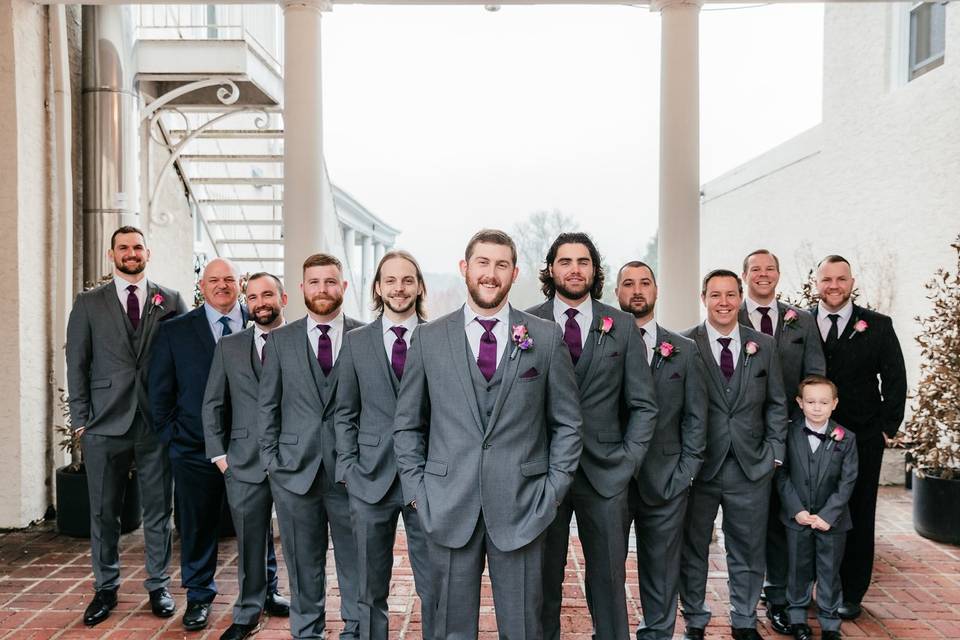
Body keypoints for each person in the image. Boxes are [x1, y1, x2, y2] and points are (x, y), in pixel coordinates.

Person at [393, 229, 583, 639]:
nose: (490, 274)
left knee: (524, 628)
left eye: (501, 265)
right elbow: (408, 424)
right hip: (446, 505)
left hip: (524, 506)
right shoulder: (428, 338)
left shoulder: (546, 337)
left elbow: (567, 424)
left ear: (515, 274)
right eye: (483, 263)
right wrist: (417, 492)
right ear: (465, 268)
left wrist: (551, 493)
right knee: (448, 630)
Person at [527, 234, 658, 640]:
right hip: (544, 473)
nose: (574, 269)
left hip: (605, 474)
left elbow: (644, 405)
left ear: (595, 271)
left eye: (583, 261)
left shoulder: (619, 325)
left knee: (608, 581)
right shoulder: (526, 322)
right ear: (551, 269)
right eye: (565, 261)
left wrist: (628, 462)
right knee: (542, 580)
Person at [66, 225, 187, 627]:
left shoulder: (170, 299)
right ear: (111, 253)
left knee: (157, 510)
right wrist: (81, 422)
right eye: (123, 247)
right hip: (104, 423)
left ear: (147, 253)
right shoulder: (88, 303)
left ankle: (158, 585)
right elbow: (77, 364)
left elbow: (183, 363)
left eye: (137, 247)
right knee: (103, 513)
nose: (131, 253)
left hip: (155, 423)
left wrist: (178, 416)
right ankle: (106, 587)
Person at [150, 258, 271, 631]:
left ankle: (267, 591)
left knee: (257, 524)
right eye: (214, 280)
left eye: (229, 280)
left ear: (240, 284)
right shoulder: (175, 331)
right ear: (202, 286)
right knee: (198, 525)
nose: (222, 286)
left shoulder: (261, 324)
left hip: (250, 449)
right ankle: (199, 596)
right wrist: (175, 438)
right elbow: (158, 392)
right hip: (194, 448)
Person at [679, 269, 788, 640]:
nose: (723, 302)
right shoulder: (684, 344)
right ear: (703, 297)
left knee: (747, 547)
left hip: (751, 466)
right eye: (715, 295)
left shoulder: (764, 346)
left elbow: (777, 403)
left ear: (740, 297)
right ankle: (695, 616)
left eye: (729, 294)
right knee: (693, 546)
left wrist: (774, 452)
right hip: (701, 467)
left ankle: (743, 618)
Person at [259, 253, 363, 640]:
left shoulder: (362, 335)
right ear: (302, 288)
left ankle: (355, 629)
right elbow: (267, 405)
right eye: (315, 282)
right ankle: (307, 632)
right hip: (293, 473)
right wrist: (272, 461)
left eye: (330, 281)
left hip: (350, 473)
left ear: (343, 287)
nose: (323, 289)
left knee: (356, 561)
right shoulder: (281, 340)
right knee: (303, 564)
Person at [334, 250, 436, 640]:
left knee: (434, 583)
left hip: (425, 480)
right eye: (390, 280)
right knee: (368, 586)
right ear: (378, 287)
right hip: (369, 481)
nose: (399, 288)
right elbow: (345, 412)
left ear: (419, 286)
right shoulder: (356, 342)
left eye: (407, 280)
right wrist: (347, 468)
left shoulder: (438, 336)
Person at [615, 260, 707, 640]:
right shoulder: (599, 343)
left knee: (661, 568)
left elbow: (696, 417)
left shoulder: (683, 350)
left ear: (657, 290)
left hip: (666, 480)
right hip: (612, 480)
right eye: (628, 284)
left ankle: (657, 634)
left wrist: (685, 473)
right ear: (616, 292)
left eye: (645, 283)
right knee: (606, 570)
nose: (637, 290)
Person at [813, 255, 906, 620]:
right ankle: (805, 585)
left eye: (840, 279)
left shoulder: (879, 325)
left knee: (858, 512)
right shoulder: (800, 322)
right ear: (816, 283)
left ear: (852, 282)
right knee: (812, 508)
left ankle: (851, 592)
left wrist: (885, 427)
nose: (833, 286)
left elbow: (895, 379)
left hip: (862, 436)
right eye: (826, 279)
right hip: (811, 433)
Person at [739, 249, 826, 634]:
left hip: (790, 434)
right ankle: (746, 595)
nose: (763, 274)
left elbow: (815, 375)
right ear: (745, 276)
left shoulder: (801, 320)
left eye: (769, 268)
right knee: (747, 521)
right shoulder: (727, 314)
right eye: (755, 269)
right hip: (742, 438)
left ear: (778, 273)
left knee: (785, 516)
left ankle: (779, 596)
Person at [202, 272, 292, 640]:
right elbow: (212, 404)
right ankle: (248, 611)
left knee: (301, 543)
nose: (260, 303)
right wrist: (220, 456)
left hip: (293, 460)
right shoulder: (230, 346)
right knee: (251, 541)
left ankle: (305, 609)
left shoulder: (301, 340)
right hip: (241, 461)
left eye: (267, 294)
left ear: (283, 299)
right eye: (252, 297)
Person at [776, 375, 858, 640]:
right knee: (797, 569)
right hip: (797, 518)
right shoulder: (788, 434)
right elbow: (782, 474)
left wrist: (828, 515)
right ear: (800, 403)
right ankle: (798, 618)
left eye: (824, 402)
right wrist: (796, 509)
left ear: (834, 403)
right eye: (810, 401)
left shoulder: (846, 438)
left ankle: (830, 623)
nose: (817, 407)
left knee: (829, 572)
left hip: (831, 522)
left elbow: (848, 481)